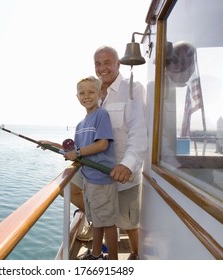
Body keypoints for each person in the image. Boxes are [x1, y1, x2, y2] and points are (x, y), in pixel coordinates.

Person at [69, 46, 148, 260]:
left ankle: (136, 256)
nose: (102, 68)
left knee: (129, 223)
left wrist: (127, 165)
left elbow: (139, 132)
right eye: (97, 63)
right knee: (68, 187)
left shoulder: (132, 88)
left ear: (117, 64)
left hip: (123, 173)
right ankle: (99, 216)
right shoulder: (95, 93)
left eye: (107, 63)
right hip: (97, 171)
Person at [42, 76, 119, 260]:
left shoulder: (101, 115)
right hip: (88, 178)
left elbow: (102, 145)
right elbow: (75, 150)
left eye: (91, 92)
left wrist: (77, 154)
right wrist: (50, 144)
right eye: (82, 93)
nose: (87, 96)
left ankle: (114, 261)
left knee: (107, 223)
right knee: (97, 220)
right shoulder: (80, 124)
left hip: (101, 180)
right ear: (77, 97)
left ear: (100, 93)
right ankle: (96, 254)